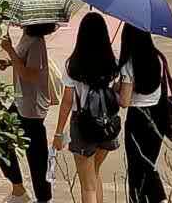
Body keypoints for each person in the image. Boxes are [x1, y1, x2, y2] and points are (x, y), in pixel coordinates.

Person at [53, 12, 127, 203]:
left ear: (81, 35)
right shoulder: (113, 63)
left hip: (83, 125)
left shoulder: (73, 65)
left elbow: (67, 101)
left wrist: (59, 132)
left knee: (87, 186)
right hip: (107, 125)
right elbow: (117, 92)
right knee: (94, 173)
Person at [0, 23, 57, 203]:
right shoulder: (27, 35)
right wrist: (10, 61)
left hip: (32, 106)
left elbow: (30, 75)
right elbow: (23, 61)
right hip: (21, 101)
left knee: (36, 156)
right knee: (1, 139)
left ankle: (43, 198)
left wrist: (10, 51)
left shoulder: (37, 42)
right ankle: (19, 190)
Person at [118, 23, 169, 203]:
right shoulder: (158, 58)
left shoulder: (130, 63)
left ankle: (146, 199)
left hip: (138, 119)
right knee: (149, 164)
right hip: (159, 116)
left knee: (136, 169)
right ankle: (158, 199)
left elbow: (124, 102)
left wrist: (116, 90)